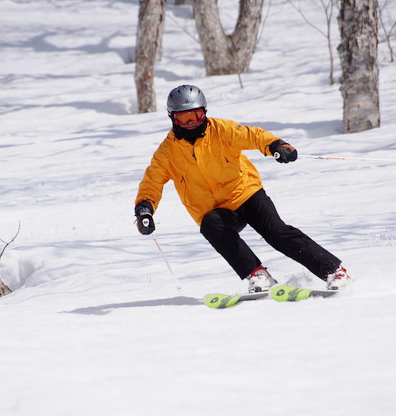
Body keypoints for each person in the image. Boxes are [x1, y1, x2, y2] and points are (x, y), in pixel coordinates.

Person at [134, 84, 351, 293]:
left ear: (205, 113)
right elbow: (152, 182)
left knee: (277, 232)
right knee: (210, 225)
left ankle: (334, 272)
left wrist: (277, 145)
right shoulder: (167, 152)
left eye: (196, 115)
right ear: (173, 117)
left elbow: (253, 136)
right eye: (184, 117)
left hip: (245, 194)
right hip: (215, 210)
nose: (191, 122)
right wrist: (145, 209)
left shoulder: (222, 130)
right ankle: (257, 275)